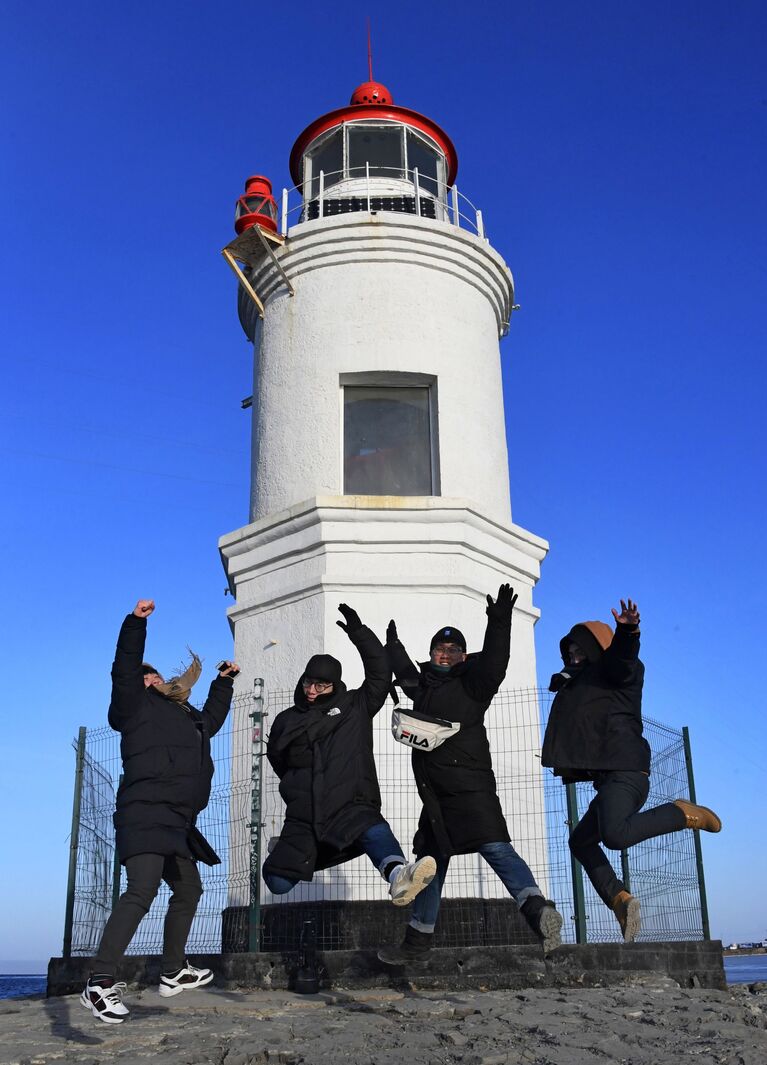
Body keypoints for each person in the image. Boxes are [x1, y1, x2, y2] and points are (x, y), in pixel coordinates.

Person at [378, 585, 563, 964]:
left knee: (495, 847)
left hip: (470, 787)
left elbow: (496, 659)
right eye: (438, 650)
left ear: (463, 656)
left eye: (452, 650)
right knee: (429, 861)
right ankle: (416, 942)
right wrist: (391, 645)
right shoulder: (425, 686)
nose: (444, 655)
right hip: (435, 794)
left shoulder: (473, 683)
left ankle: (537, 910)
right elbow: (406, 672)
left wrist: (498, 621)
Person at [81, 599, 239, 1024]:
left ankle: (172, 971)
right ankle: (98, 981)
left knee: (189, 890)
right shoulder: (133, 707)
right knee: (142, 890)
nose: (151, 677)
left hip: (177, 821)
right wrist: (135, 624)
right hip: (144, 812)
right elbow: (124, 665)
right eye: (145, 675)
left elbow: (211, 722)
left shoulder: (185, 715)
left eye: (154, 673)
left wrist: (223, 683)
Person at [541, 597, 722, 942]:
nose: (574, 657)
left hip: (626, 771)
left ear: (598, 649)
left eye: (582, 651)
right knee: (580, 841)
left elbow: (623, 659)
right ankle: (619, 899)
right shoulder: (580, 685)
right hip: (608, 779)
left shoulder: (617, 673)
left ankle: (680, 813)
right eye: (570, 652)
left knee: (615, 835)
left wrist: (627, 631)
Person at [262, 603, 436, 909]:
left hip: (349, 800)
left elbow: (379, 676)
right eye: (308, 682)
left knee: (372, 827)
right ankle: (308, 854)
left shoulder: (356, 706)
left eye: (320, 684)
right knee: (276, 881)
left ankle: (399, 875)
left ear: (334, 684)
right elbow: (278, 759)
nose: (312, 690)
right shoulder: (287, 720)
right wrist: (296, 783)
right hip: (304, 810)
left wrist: (360, 633)